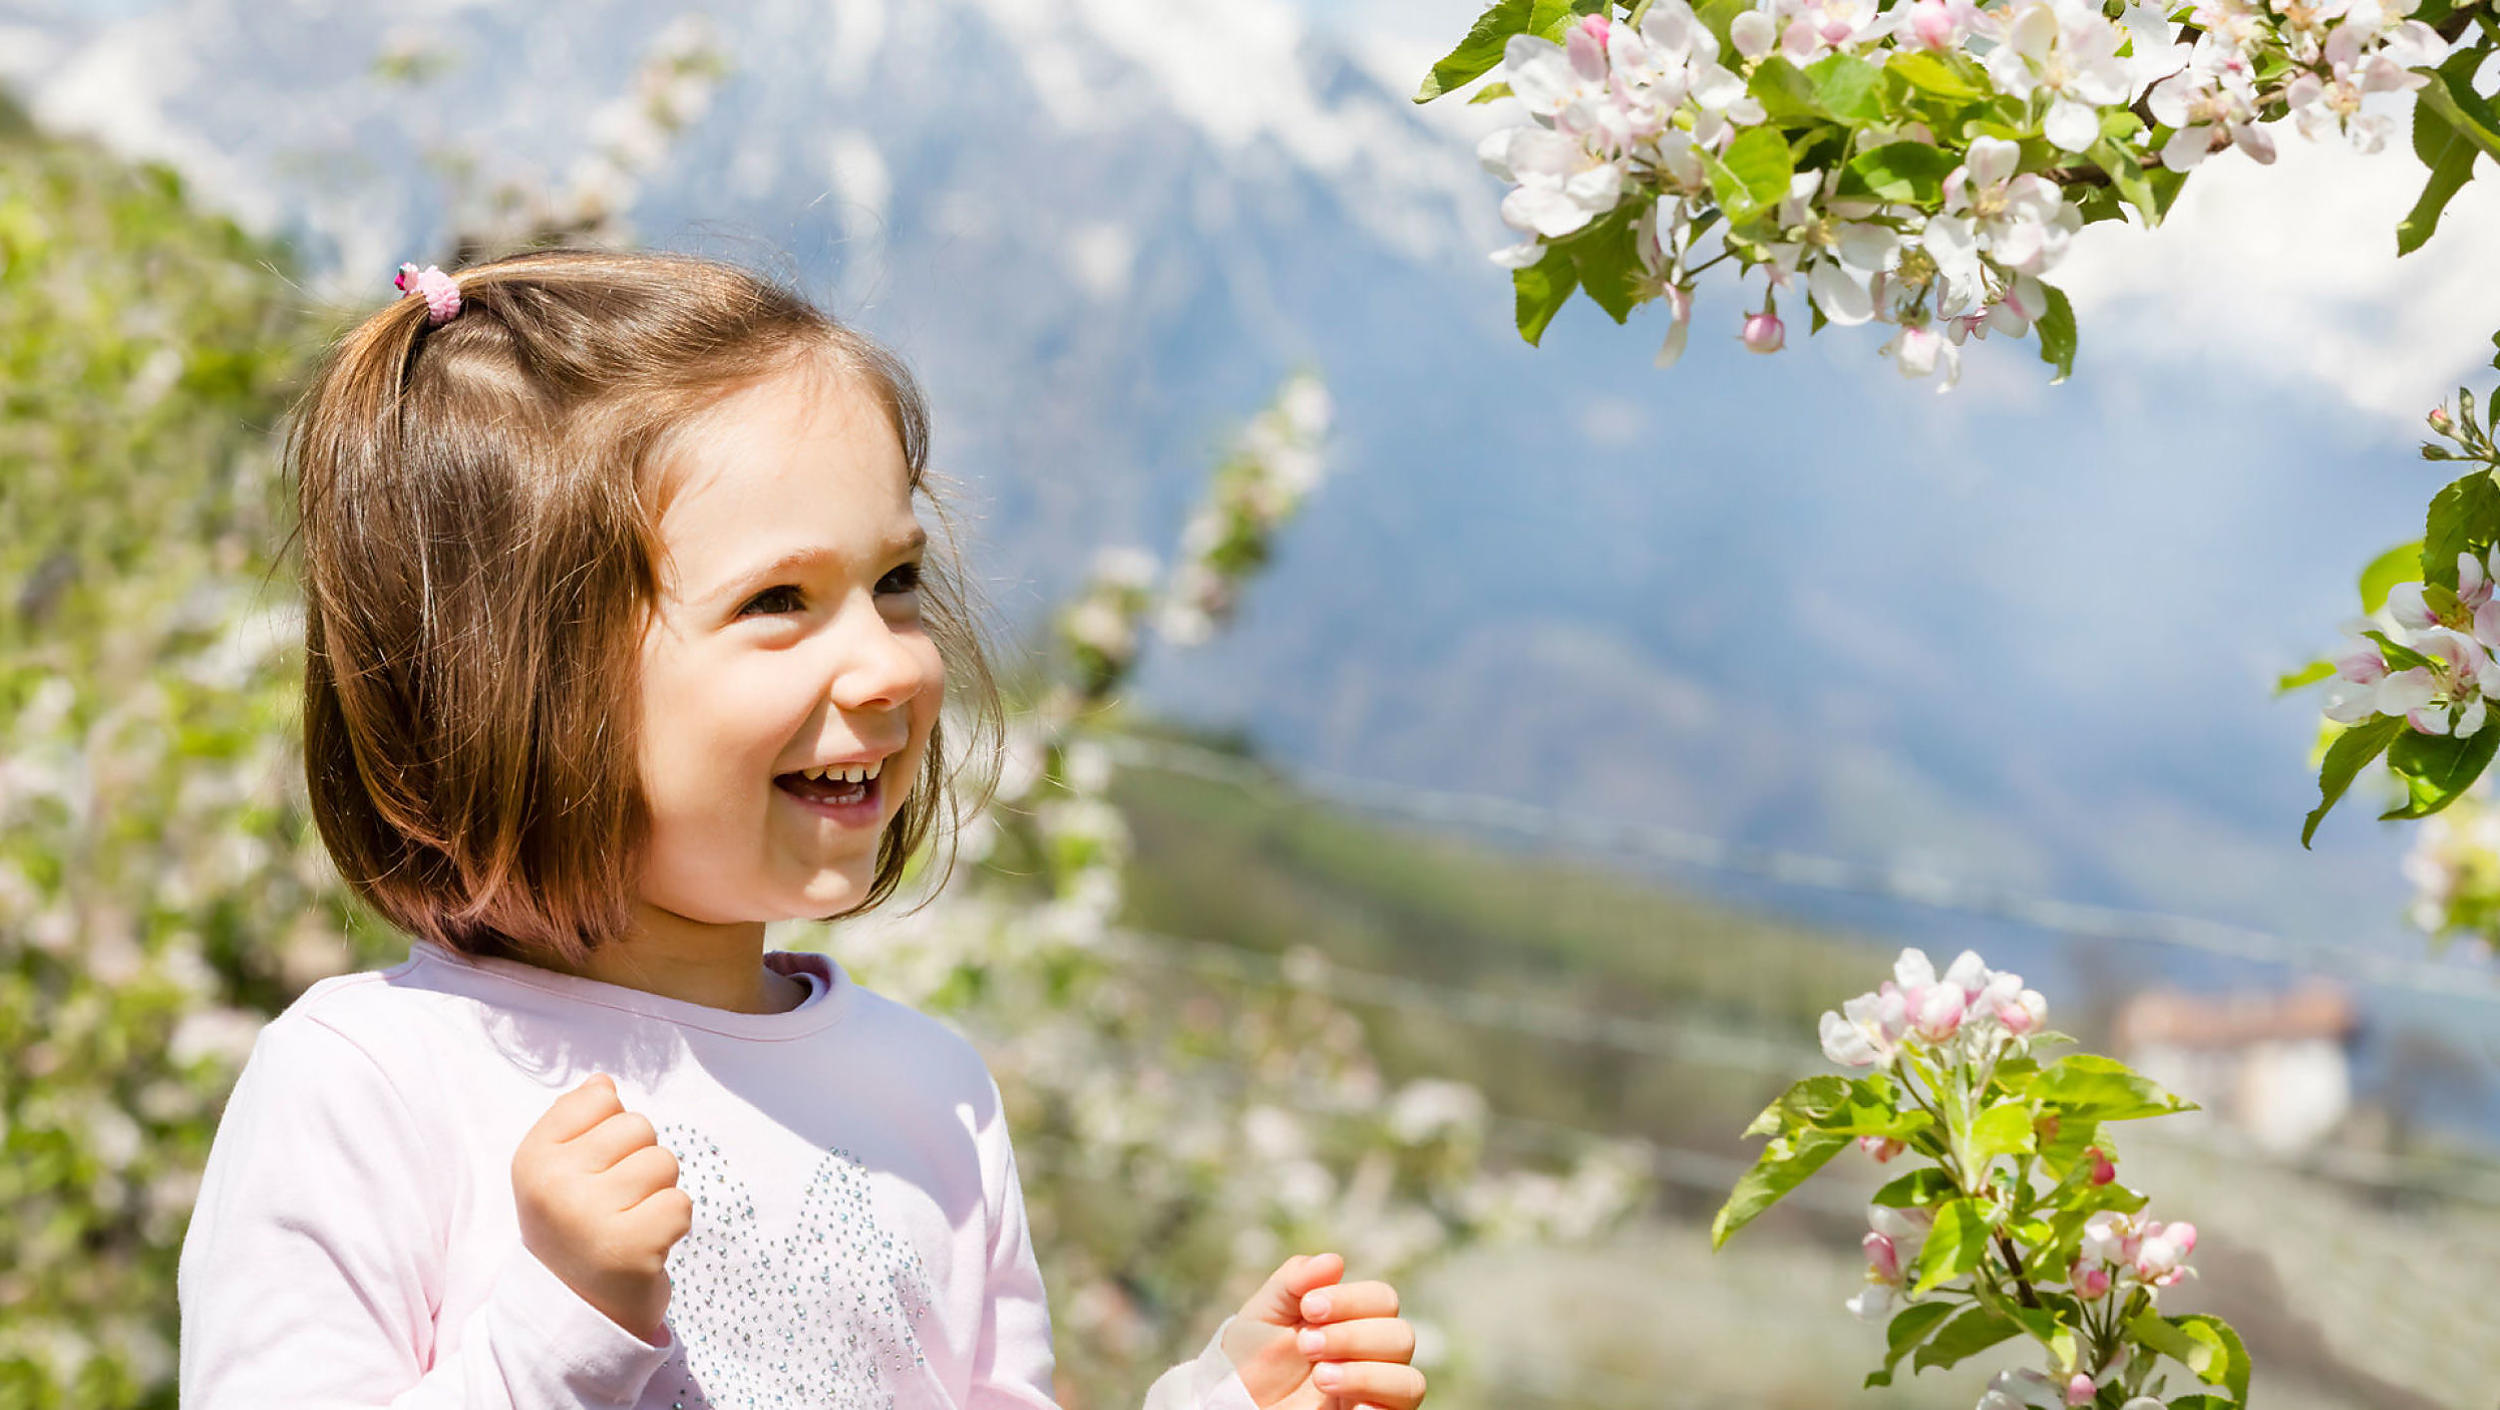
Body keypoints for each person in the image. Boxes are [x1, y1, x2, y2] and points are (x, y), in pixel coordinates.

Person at [175, 248, 1427, 1410]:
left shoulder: (930, 1094)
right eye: (778, 602)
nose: (888, 668)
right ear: (517, 676)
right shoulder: (373, 1083)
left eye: (893, 585)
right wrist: (557, 1331)